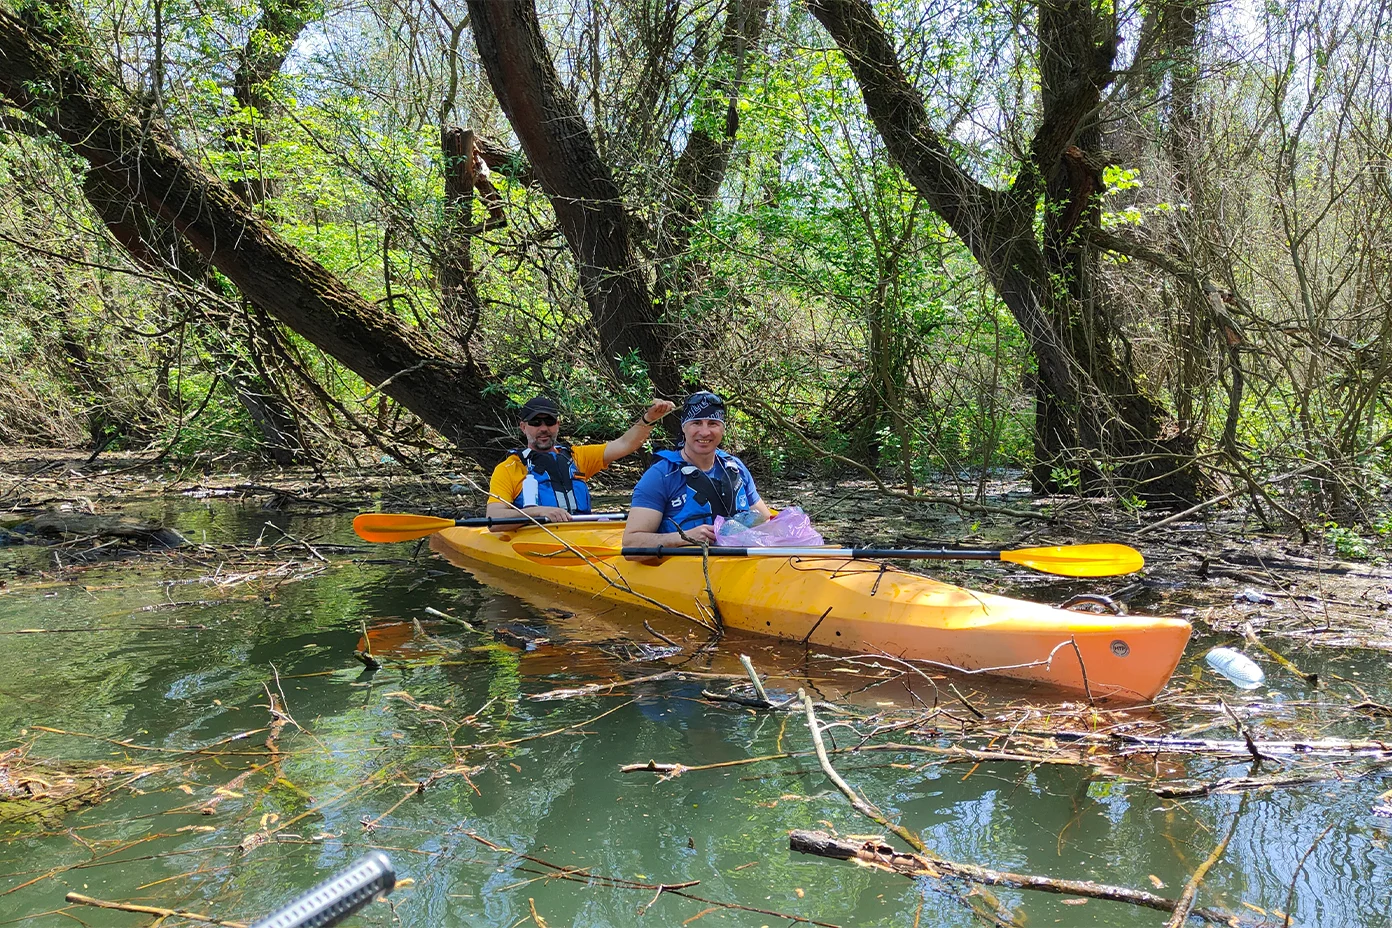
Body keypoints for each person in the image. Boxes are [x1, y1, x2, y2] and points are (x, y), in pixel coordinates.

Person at [486, 395, 675, 531]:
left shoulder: (577, 457)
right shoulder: (508, 469)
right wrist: (537, 512)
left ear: (557, 425)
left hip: (581, 533)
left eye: (549, 422)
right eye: (535, 423)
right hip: (536, 536)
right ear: (523, 427)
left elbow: (626, 444)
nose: (543, 428)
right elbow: (493, 518)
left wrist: (649, 419)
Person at [623, 391, 773, 553]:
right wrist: (683, 538)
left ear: (723, 428)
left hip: (736, 564)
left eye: (713, 423)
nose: (704, 432)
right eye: (696, 423)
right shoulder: (660, 476)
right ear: (684, 427)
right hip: (685, 566)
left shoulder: (735, 468)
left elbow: (765, 520)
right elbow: (631, 544)